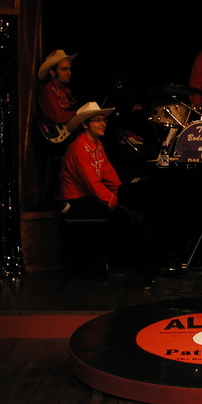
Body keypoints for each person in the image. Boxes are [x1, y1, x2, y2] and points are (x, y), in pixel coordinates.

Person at [57, 102, 155, 284]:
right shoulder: (79, 148)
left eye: (103, 120)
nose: (103, 124)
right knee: (119, 216)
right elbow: (93, 185)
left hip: (88, 198)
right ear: (85, 124)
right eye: (97, 120)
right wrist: (119, 204)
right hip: (73, 202)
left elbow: (110, 176)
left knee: (130, 214)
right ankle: (103, 264)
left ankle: (120, 264)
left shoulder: (98, 145)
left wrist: (124, 197)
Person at [37, 49, 78, 127]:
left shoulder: (64, 90)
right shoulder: (48, 90)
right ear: (53, 72)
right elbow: (59, 118)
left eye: (69, 69)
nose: (69, 73)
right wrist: (79, 113)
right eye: (64, 69)